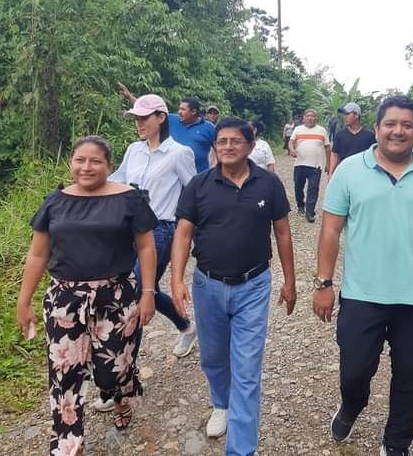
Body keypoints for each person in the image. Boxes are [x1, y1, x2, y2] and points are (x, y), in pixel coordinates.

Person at [314, 96, 413, 456]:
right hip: (362, 295)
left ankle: (396, 444)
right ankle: (352, 405)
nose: (398, 131)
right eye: (390, 124)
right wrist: (323, 283)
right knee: (354, 372)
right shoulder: (350, 170)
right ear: (376, 128)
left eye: (406, 125)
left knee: (408, 378)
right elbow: (330, 230)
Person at [16, 136, 158, 456]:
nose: (86, 167)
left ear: (109, 164)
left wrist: (148, 293)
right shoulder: (55, 201)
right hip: (64, 300)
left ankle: (122, 392)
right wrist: (24, 301)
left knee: (112, 370)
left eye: (95, 161)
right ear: (71, 163)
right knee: (64, 373)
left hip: (115, 297)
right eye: (80, 160)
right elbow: (37, 254)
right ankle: (70, 445)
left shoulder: (129, 199)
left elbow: (146, 246)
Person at [170, 118, 297, 456]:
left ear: (250, 146)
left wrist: (290, 281)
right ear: (215, 146)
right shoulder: (199, 184)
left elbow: (283, 233)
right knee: (213, 357)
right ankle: (221, 404)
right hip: (207, 285)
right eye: (222, 141)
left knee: (246, 368)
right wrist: (176, 279)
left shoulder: (268, 183)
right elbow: (183, 233)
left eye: (235, 141)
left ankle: (240, 449)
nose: (228, 146)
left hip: (253, 286)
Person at [109, 94, 197, 360]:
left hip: (161, 230)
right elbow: (118, 181)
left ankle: (125, 369)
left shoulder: (180, 153)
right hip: (128, 230)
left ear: (161, 117)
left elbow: (194, 194)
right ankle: (186, 326)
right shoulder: (133, 150)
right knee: (148, 289)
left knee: (136, 291)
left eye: (144, 117)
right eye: (135, 118)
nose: (139, 123)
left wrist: (192, 234)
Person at [118, 82, 215, 173]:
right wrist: (130, 97)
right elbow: (150, 111)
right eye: (179, 109)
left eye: (183, 109)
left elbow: (219, 147)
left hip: (199, 177)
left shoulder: (208, 128)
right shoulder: (172, 119)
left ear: (193, 112)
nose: (179, 112)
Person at [288, 109, 331, 223]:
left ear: (316, 118)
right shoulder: (298, 129)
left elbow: (327, 148)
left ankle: (310, 211)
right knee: (298, 187)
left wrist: (328, 163)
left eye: (313, 116)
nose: (310, 118)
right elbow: (291, 142)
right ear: (304, 118)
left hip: (315, 165)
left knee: (313, 188)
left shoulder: (322, 131)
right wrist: (292, 149)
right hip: (300, 164)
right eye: (308, 116)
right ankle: (300, 205)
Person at [329, 102, 376, 174]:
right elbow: (335, 155)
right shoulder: (340, 135)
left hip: (363, 173)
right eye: (344, 114)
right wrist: (331, 173)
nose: (344, 117)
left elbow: (375, 155)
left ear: (356, 115)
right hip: (344, 173)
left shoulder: (370, 136)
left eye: (347, 114)